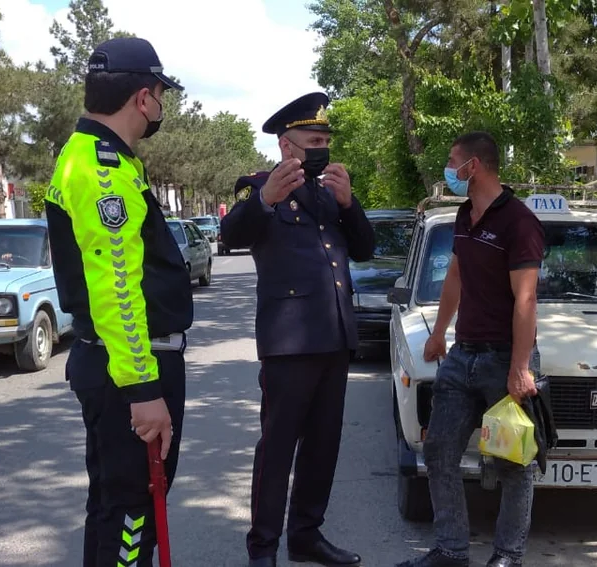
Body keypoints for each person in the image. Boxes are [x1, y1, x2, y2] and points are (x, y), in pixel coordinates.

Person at [44, 37, 193, 567]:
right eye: (160, 95)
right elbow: (118, 290)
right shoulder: (102, 169)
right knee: (133, 512)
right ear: (143, 97)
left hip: (118, 361)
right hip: (129, 365)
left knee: (112, 505)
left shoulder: (97, 157)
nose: (161, 107)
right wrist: (144, 388)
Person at [220, 92, 375, 567]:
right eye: (314, 139)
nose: (322, 147)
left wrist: (350, 206)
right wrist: (266, 199)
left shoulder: (332, 194)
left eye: (326, 139)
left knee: (323, 447)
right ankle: (262, 547)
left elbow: (364, 249)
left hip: (334, 335)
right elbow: (232, 236)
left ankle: (306, 535)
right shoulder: (260, 188)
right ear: (288, 146)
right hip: (289, 342)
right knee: (278, 448)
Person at [395, 132, 545, 567]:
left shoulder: (519, 222)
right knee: (440, 449)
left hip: (503, 359)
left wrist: (519, 367)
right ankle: (450, 550)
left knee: (513, 463)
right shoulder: (464, 215)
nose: (449, 169)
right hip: (463, 354)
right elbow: (456, 276)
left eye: (451, 161)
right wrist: (440, 332)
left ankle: (508, 555)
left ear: (473, 166)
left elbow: (526, 299)